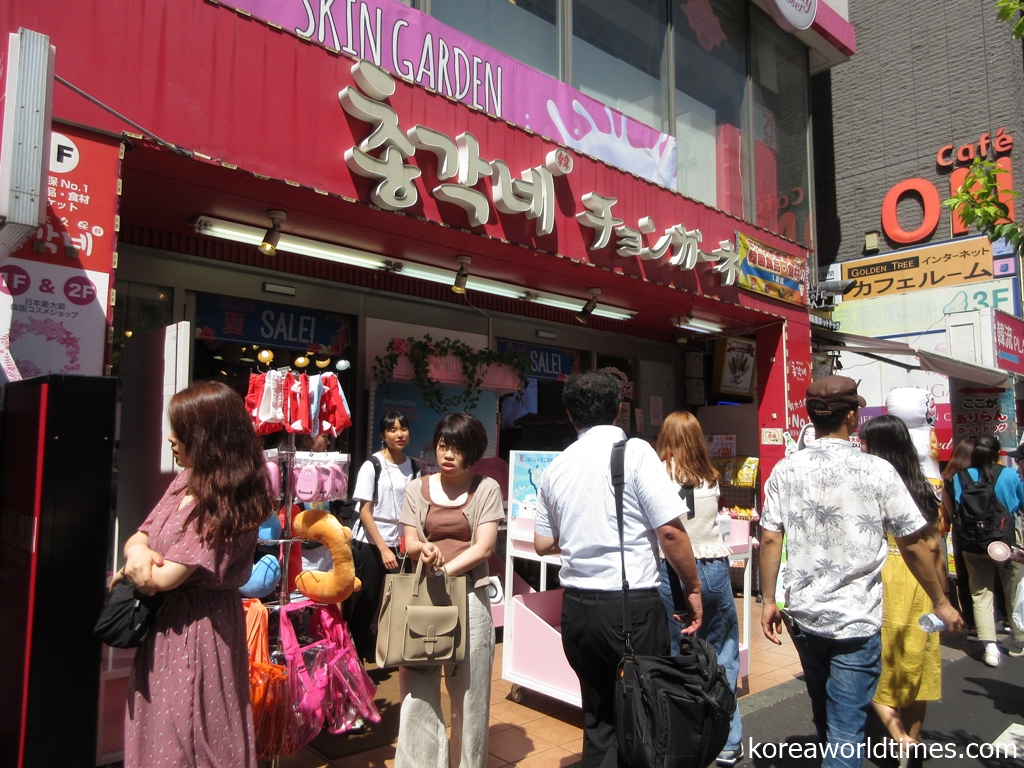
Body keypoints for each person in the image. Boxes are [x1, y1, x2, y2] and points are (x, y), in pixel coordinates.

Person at [760, 376, 961, 768]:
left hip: (803, 615)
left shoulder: (786, 470)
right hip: (856, 619)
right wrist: (941, 600)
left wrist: (769, 600)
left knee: (824, 707)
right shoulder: (878, 470)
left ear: (809, 416)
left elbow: (770, 538)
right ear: (852, 416)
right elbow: (914, 542)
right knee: (847, 727)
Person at [533, 371, 703, 768]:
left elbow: (542, 543)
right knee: (643, 718)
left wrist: (582, 534)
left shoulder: (556, 467)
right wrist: (692, 588)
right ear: (619, 410)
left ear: (570, 414)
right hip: (631, 611)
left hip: (578, 612)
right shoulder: (637, 452)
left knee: (598, 720)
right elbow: (671, 533)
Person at [116, 381, 272, 767]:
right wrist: (138, 553)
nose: (171, 438)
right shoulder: (186, 479)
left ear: (207, 437)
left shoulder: (229, 495)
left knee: (190, 732)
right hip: (168, 628)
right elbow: (141, 534)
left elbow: (163, 578)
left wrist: (136, 562)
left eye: (181, 430)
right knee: (165, 728)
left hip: (201, 632)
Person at [395, 412, 504, 768]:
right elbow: (410, 541)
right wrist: (422, 550)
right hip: (422, 599)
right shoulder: (416, 488)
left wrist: (446, 570)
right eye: (443, 445)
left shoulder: (486, 488)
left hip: (470, 598)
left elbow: (484, 547)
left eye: (457, 448)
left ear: (471, 452)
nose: (448, 454)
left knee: (470, 697)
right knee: (416, 693)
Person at [655, 410, 743, 768]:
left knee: (678, 654)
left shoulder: (657, 473)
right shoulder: (710, 476)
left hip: (673, 570)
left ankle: (685, 739)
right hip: (714, 567)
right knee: (722, 652)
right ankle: (729, 740)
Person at [860, 415, 946, 758]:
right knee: (920, 659)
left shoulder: (872, 485)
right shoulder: (927, 486)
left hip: (883, 576)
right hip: (922, 582)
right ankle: (911, 740)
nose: (861, 446)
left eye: (865, 442)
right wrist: (944, 596)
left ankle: (898, 737)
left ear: (878, 446)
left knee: (879, 660)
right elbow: (936, 547)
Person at [347, 411, 419, 660]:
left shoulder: (413, 466)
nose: (400, 434)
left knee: (397, 601)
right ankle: (352, 658)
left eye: (404, 428)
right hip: (371, 542)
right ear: (382, 435)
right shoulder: (372, 465)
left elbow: (414, 508)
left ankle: (391, 653)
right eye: (392, 430)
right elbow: (365, 512)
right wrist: (383, 549)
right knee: (366, 601)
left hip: (400, 543)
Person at [948, 433, 1024, 666]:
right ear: (996, 453)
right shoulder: (1010, 474)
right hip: (1005, 543)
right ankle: (1018, 640)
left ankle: (989, 647)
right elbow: (1020, 503)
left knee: (980, 594)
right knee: (1013, 590)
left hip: (972, 543)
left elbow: (954, 509)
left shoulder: (958, 476)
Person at [941, 438, 977, 638]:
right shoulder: (982, 473)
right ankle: (1004, 618)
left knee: (964, 576)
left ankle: (972, 624)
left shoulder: (948, 476)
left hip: (961, 529)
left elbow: (949, 508)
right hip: (987, 530)